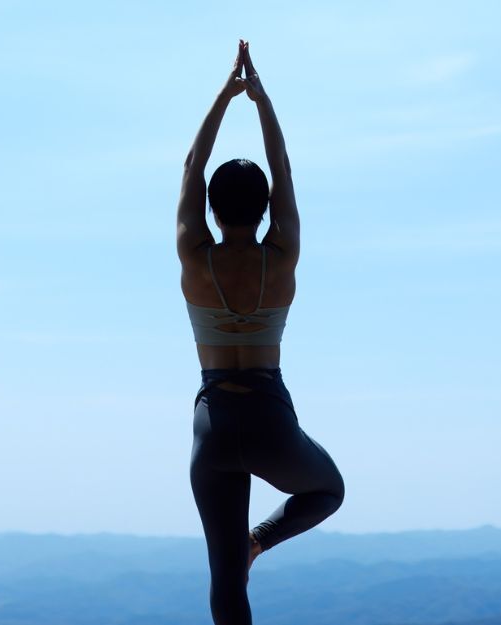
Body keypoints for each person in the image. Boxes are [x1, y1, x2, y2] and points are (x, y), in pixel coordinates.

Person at [177, 39, 346, 624]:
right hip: (269, 417)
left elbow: (192, 166)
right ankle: (259, 541)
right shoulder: (282, 254)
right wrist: (261, 100)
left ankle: (241, 552)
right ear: (266, 205)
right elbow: (284, 167)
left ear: (212, 209)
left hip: (214, 423)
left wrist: (225, 96)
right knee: (327, 490)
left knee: (225, 583)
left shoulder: (195, 257)